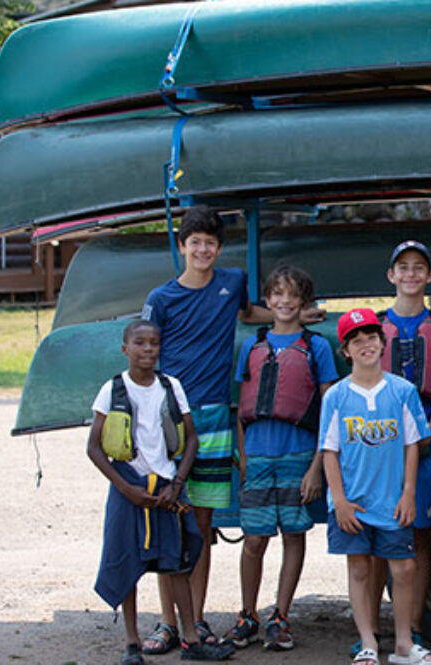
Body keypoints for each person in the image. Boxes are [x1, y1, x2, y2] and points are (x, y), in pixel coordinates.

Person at [140, 206, 322, 653]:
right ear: (181, 246)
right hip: (172, 419)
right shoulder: (161, 298)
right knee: (171, 520)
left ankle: (196, 619)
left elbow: (250, 313)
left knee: (201, 524)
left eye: (210, 243)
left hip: (217, 420)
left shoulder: (232, 281)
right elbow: (145, 352)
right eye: (194, 242)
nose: (202, 249)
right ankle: (167, 623)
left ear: (219, 248)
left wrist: (300, 317)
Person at [87, 318, 234, 663]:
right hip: (128, 486)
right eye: (140, 343)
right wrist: (126, 488)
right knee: (127, 562)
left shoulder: (170, 386)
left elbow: (191, 437)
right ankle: (131, 643)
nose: (148, 349)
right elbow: (94, 447)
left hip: (167, 487)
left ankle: (191, 639)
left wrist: (177, 483)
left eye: (154, 343)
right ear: (125, 349)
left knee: (177, 563)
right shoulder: (113, 389)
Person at [349, 240, 431, 657]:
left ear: (430, 276)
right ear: (391, 275)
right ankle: (375, 631)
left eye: (420, 267)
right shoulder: (374, 325)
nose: (412, 274)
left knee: (415, 534)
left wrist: (427, 430)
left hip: (429, 440)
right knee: (377, 535)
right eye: (403, 267)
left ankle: (412, 629)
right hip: (377, 442)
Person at [226, 264, 339, 651]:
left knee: (293, 534)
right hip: (258, 454)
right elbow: (239, 407)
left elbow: (330, 408)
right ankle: (247, 614)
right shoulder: (252, 346)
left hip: (298, 453)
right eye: (278, 294)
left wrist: (316, 468)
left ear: (304, 301)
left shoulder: (316, 346)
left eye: (293, 295)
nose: (285, 301)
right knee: (255, 539)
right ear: (268, 300)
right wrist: (243, 459)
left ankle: (281, 615)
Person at [321, 308, 431, 665]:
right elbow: (329, 452)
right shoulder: (336, 396)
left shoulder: (402, 391)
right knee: (359, 567)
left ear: (382, 342)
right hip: (353, 502)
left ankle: (403, 643)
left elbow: (413, 445)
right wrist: (338, 500)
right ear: (346, 350)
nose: (366, 345)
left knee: (402, 568)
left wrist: (408, 492)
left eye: (371, 338)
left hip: (392, 500)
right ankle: (368, 642)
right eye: (357, 341)